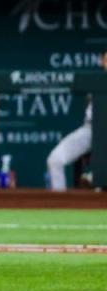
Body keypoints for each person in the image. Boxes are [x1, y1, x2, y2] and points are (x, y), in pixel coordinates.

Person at [46, 50, 107, 191]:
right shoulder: (94, 83)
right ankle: (60, 206)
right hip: (90, 129)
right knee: (55, 160)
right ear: (102, 62)